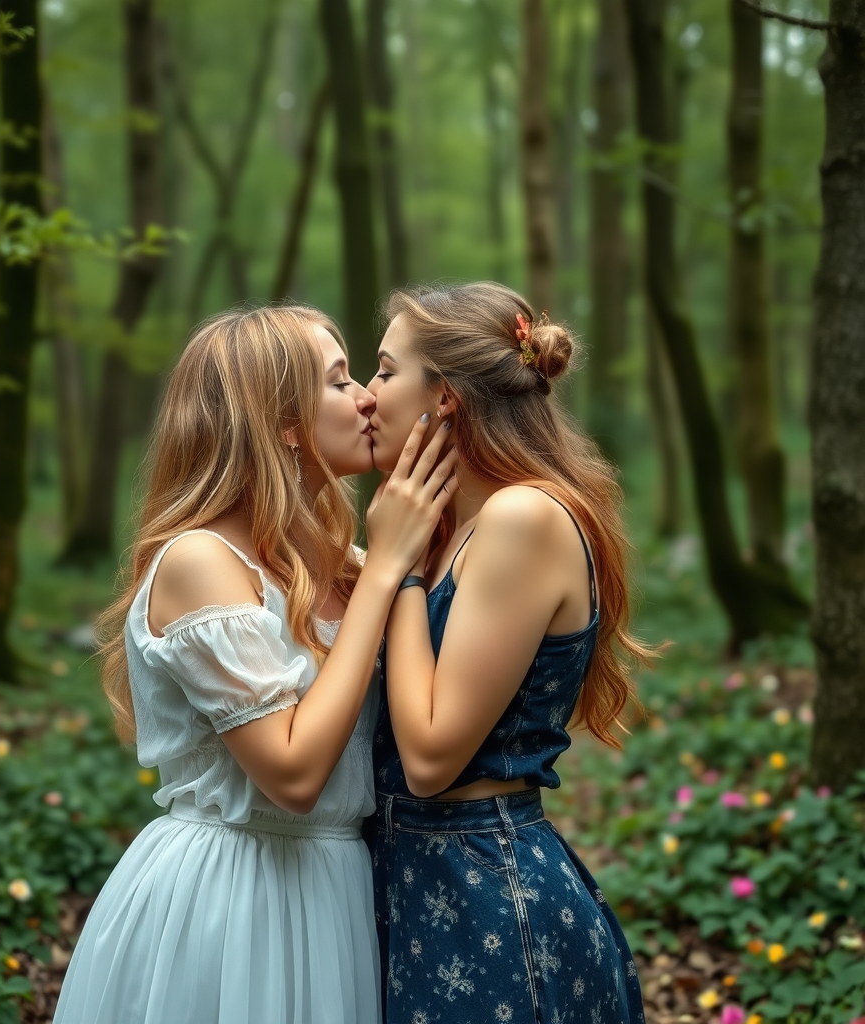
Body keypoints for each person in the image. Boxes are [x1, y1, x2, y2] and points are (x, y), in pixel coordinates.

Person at [53, 305, 457, 1024]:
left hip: (338, 894)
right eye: (339, 383)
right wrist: (391, 565)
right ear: (283, 422)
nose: (367, 394)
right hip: (229, 899)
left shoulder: (354, 567)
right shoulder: (200, 562)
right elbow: (293, 773)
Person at [367, 282, 653, 1023]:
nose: (368, 395)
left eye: (385, 370)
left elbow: (431, 761)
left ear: (447, 399)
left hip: (489, 904)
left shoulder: (521, 517)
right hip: (415, 893)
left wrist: (398, 570)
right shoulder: (455, 529)